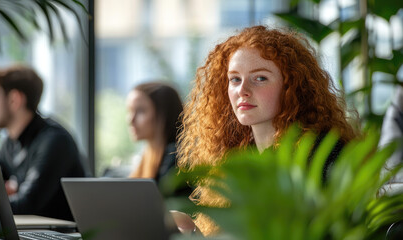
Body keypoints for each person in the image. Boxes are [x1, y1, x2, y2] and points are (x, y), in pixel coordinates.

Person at [176, 25, 359, 235]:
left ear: (292, 86)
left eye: (260, 78)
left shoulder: (321, 151)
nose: (242, 90)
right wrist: (192, 232)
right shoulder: (239, 156)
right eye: (235, 79)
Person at [0, 65, 86, 221]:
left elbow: (27, 204)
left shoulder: (54, 140)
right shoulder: (9, 145)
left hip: (63, 234)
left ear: (14, 100)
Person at [126, 82, 186, 196]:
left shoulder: (176, 158)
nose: (131, 119)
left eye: (140, 111)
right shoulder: (147, 157)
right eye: (129, 111)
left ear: (163, 115)